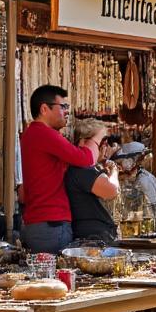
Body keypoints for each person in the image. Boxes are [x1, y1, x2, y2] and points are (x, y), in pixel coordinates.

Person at [19, 84, 96, 253]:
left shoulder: (32, 134)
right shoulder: (44, 134)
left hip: (41, 223)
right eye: (63, 107)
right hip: (51, 224)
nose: (66, 111)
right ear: (44, 109)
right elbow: (86, 159)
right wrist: (97, 138)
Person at [64, 119, 120, 243]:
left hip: (93, 236)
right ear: (83, 142)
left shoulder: (86, 168)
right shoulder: (82, 169)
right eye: (102, 142)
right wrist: (114, 170)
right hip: (92, 239)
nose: (105, 147)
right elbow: (112, 190)